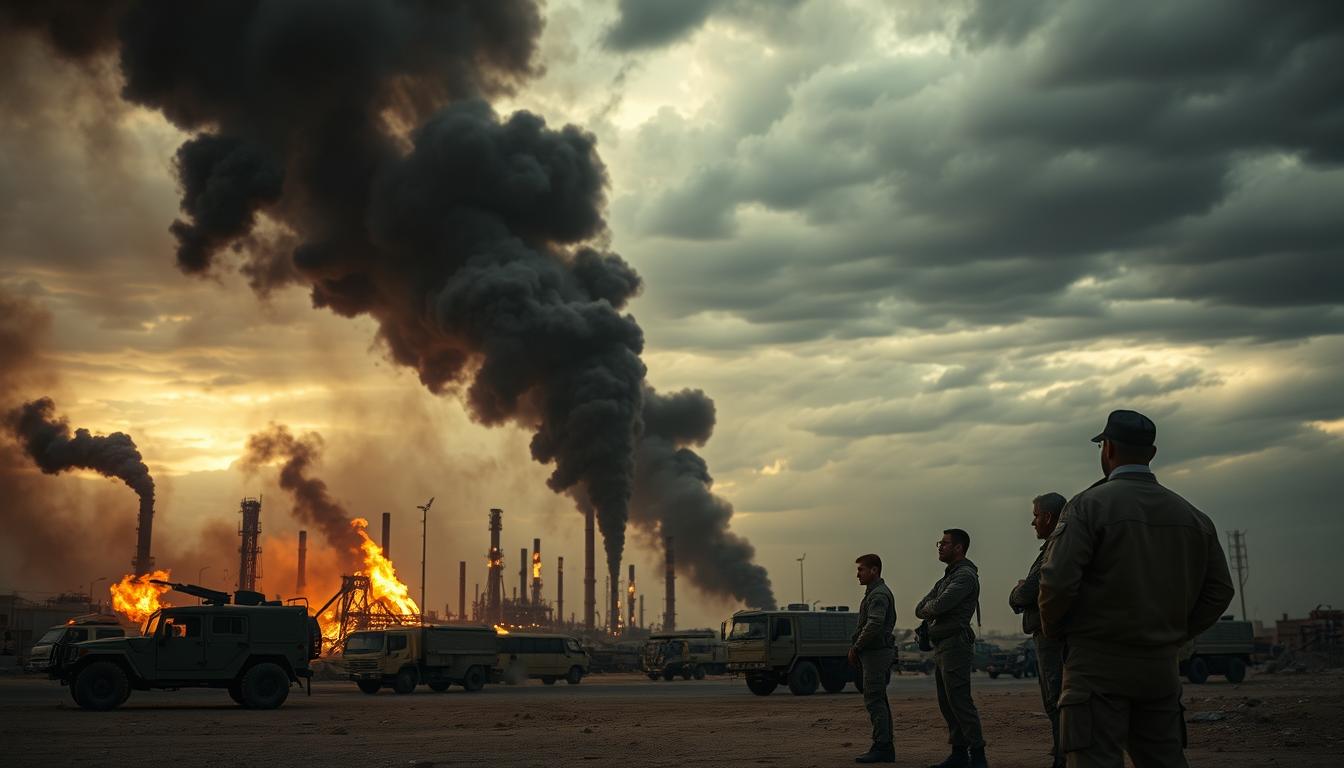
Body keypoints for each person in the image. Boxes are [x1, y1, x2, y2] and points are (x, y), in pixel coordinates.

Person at [1039, 410, 1235, 768]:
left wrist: (1057, 631)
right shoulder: (1193, 516)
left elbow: (1056, 583)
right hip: (1159, 667)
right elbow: (1220, 591)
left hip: (1097, 664)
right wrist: (1174, 634)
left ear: (1108, 448)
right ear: (1152, 453)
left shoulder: (1087, 506)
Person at [916, 529, 988, 768]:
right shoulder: (948, 577)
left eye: (944, 543)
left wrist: (931, 609)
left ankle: (977, 755)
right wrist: (931, 608)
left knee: (959, 700)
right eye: (940, 542)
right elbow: (920, 607)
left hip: (956, 644)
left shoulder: (965, 576)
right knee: (947, 701)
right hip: (944, 645)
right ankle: (959, 753)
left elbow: (940, 604)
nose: (940, 547)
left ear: (959, 547)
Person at [1009, 492, 1068, 768]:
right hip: (1049, 632)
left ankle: (1064, 756)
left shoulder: (1055, 546)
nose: (1033, 523)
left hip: (1051, 635)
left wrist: (1017, 591)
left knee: (1055, 697)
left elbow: (1028, 592)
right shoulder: (1056, 545)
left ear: (1047, 516)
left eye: (1035, 516)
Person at [850, 553, 897, 763]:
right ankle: (883, 744)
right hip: (875, 653)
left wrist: (857, 647)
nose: (857, 574)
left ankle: (883, 746)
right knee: (878, 699)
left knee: (874, 700)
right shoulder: (873, 593)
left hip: (876, 654)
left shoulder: (878, 595)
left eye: (861, 569)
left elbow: (874, 624)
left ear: (874, 570)